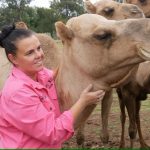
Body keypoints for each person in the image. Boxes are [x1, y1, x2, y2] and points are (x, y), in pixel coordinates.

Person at [0, 24, 105, 148]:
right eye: (29, 53)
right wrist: (83, 101)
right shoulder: (18, 93)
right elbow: (53, 133)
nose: (39, 55)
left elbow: (54, 74)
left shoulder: (39, 74)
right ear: (13, 59)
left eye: (39, 48)